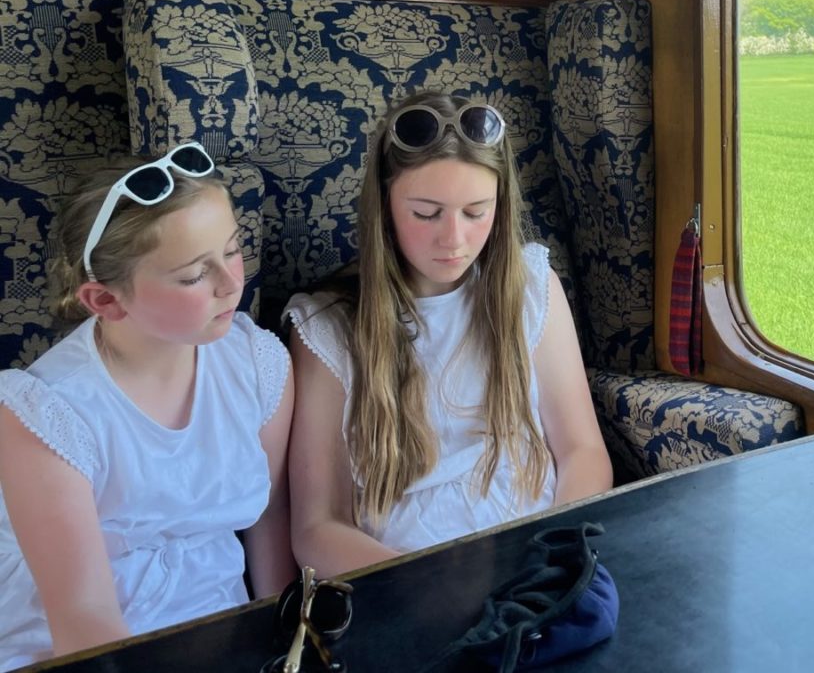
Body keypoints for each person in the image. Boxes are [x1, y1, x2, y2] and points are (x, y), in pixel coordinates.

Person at [284, 90, 612, 575]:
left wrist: (548, 556)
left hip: (538, 558)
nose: (454, 240)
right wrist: (429, 586)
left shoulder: (530, 288)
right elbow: (317, 527)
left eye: (476, 212)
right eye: (426, 213)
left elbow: (582, 452)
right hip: (403, 578)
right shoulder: (327, 328)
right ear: (385, 207)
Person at [0, 144, 295, 671]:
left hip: (214, 623)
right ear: (106, 301)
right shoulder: (44, 414)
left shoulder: (257, 364)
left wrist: (283, 644)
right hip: (74, 644)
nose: (232, 283)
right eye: (193, 275)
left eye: (232, 250)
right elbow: (83, 620)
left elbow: (270, 517)